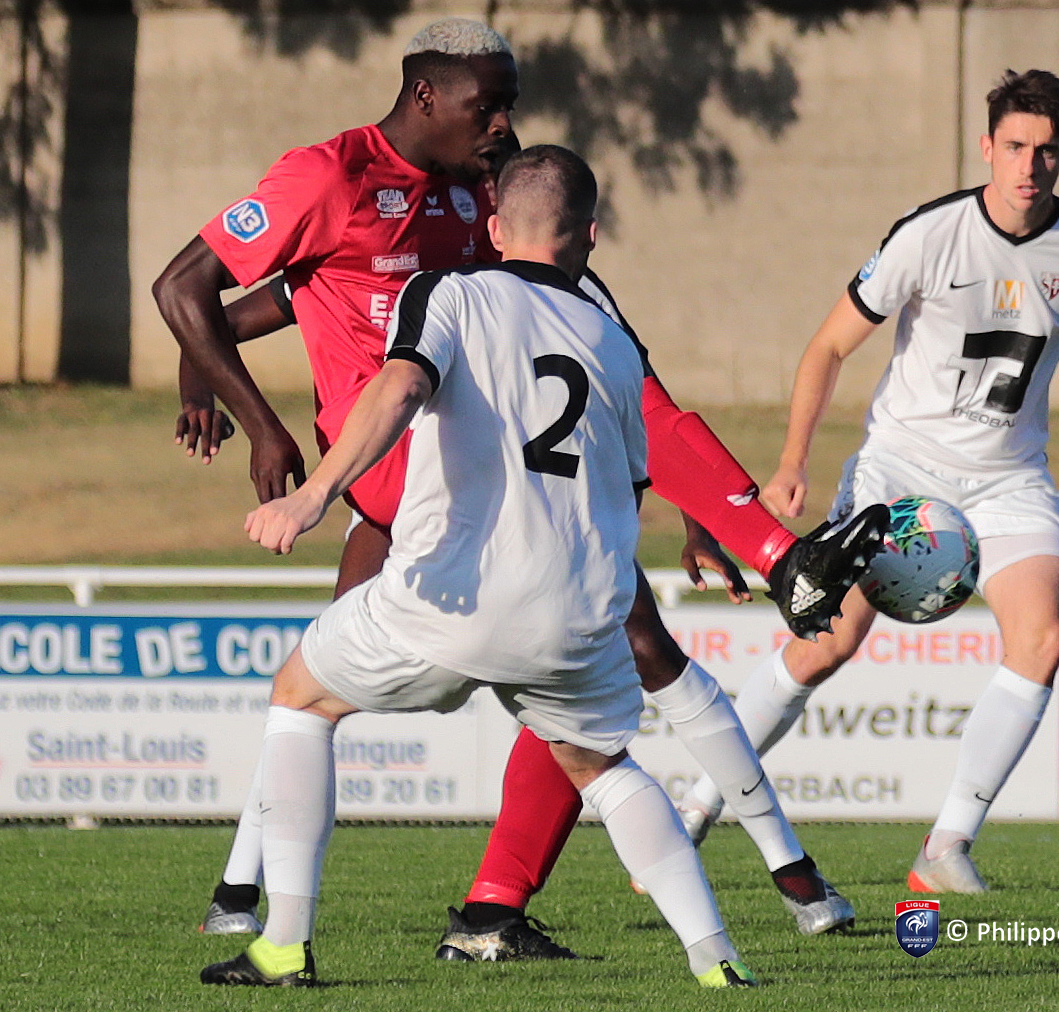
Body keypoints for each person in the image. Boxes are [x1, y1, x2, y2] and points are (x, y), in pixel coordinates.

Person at [154, 17, 888, 953]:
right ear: (426, 95)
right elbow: (196, 291)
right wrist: (250, 418)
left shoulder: (484, 192)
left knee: (318, 685)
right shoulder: (330, 176)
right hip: (402, 458)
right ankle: (783, 863)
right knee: (626, 639)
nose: (503, 123)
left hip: (465, 469)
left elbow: (597, 355)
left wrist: (685, 501)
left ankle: (260, 897)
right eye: (488, 105)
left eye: (510, 105)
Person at [199, 144, 758, 988]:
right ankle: (718, 963)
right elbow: (634, 480)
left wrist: (314, 495)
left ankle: (279, 944)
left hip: (448, 598)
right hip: (578, 612)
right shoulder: (613, 342)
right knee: (604, 769)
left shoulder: (448, 292)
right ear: (591, 237)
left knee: (300, 697)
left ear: (494, 229)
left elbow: (398, 388)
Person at [677, 69, 1059, 893]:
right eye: (1015, 146)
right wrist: (793, 462)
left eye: (1047, 151)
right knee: (828, 643)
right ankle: (695, 804)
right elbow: (828, 347)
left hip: (1009, 479)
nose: (1030, 165)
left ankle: (947, 844)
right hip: (901, 469)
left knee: (1044, 635)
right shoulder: (929, 235)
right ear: (986, 146)